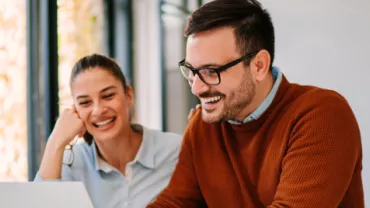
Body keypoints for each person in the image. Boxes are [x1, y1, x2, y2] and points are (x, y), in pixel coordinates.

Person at [147, 0, 364, 207]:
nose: (196, 88)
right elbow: (175, 202)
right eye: (192, 71)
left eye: (211, 72)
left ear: (259, 66)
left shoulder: (322, 115)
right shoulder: (204, 125)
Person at [34, 54, 182, 208]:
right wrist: (56, 141)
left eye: (108, 96)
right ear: (75, 111)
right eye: (85, 103)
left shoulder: (176, 151)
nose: (98, 110)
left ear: (128, 96)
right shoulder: (71, 163)